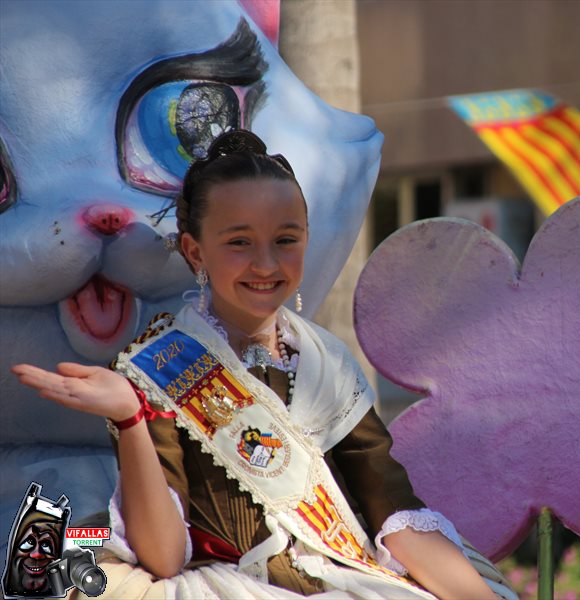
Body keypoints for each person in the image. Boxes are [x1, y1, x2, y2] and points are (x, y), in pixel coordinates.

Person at [12, 129, 512, 599]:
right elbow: (162, 557)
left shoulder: (325, 363)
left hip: (341, 576)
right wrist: (131, 417)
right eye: (239, 242)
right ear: (195, 250)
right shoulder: (156, 366)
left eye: (286, 240)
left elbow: (391, 507)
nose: (267, 264)